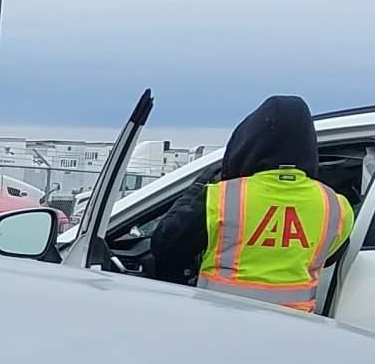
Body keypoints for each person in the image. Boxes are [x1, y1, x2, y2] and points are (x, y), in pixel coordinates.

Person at [141, 95, 353, 310]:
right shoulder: (336, 206)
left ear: (249, 142)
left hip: (222, 321)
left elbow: (166, 247)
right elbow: (327, 257)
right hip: (294, 329)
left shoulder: (220, 197)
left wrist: (197, 188)